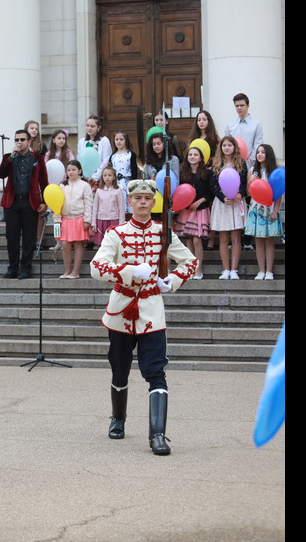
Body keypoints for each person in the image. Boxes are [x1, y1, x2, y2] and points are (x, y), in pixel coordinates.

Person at [90, 179, 197, 456]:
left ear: (153, 203)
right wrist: (128, 271)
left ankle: (158, 435)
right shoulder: (117, 233)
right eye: (137, 198)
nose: (142, 202)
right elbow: (96, 267)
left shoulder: (165, 233)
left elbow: (190, 262)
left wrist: (170, 280)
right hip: (122, 309)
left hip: (151, 309)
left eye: (147, 199)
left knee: (156, 372)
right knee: (120, 369)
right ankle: (118, 418)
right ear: (130, 202)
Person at [0, 129, 49, 279]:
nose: (19, 143)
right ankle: (12, 267)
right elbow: (1, 174)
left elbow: (44, 182)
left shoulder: (37, 159)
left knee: (28, 236)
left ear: (29, 141)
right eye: (16, 140)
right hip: (12, 203)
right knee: (11, 236)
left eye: (22, 140)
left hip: (29, 202)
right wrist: (10, 158)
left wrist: (45, 202)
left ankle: (25, 268)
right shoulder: (9, 157)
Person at [210, 136, 248, 280]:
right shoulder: (217, 164)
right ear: (221, 148)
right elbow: (213, 184)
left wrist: (240, 194)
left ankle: (234, 269)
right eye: (224, 145)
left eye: (229, 145)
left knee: (236, 237)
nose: (226, 148)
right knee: (224, 238)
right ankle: (226, 269)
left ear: (234, 147)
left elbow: (244, 183)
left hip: (236, 202)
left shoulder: (241, 163)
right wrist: (222, 197)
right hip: (222, 203)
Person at [244, 144, 283, 280]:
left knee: (269, 241)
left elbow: (278, 193)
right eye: (258, 152)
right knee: (259, 241)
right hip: (256, 209)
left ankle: (269, 271)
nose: (259, 154)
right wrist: (251, 181)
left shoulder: (274, 172)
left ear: (269, 155)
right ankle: (261, 271)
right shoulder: (252, 171)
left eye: (263, 152)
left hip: (270, 209)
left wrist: (276, 210)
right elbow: (248, 192)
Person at [174, 146, 214, 279]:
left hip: (200, 209)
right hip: (187, 210)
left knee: (197, 239)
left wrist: (200, 201)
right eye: (190, 154)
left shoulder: (207, 173)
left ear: (201, 158)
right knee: (189, 240)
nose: (192, 157)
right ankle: (191, 268)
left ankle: (198, 269)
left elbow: (211, 192)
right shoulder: (183, 173)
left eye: (195, 155)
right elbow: (180, 191)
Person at [55, 160, 93, 278]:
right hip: (65, 218)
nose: (71, 172)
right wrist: (57, 219)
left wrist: (87, 219)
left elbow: (88, 203)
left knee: (77, 244)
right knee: (65, 244)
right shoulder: (62, 185)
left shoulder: (85, 185)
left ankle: (75, 272)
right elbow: (57, 203)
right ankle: (67, 270)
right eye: (69, 170)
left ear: (79, 171)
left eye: (73, 170)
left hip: (79, 218)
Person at [223, 93, 263, 168]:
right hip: (232, 165)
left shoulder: (256, 125)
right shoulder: (230, 126)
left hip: (251, 165)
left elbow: (257, 146)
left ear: (248, 106)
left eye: (242, 105)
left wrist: (248, 164)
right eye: (237, 106)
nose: (239, 108)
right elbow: (226, 146)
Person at [90, 166, 125, 247]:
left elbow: (121, 208)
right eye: (105, 175)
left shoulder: (118, 191)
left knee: (113, 243)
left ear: (114, 177)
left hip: (113, 220)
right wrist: (94, 223)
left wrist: (121, 225)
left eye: (109, 175)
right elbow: (95, 207)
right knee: (102, 245)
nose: (107, 177)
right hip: (101, 220)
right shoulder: (99, 191)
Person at [109, 130, 139, 215]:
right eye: (116, 139)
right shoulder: (113, 156)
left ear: (126, 140)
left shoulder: (131, 154)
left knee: (128, 207)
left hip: (128, 184)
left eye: (121, 139)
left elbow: (134, 172)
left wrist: (133, 187)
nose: (118, 141)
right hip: (116, 184)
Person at [77, 115, 112, 183]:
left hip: (101, 178)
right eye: (87, 125)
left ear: (98, 127)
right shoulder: (82, 141)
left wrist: (95, 176)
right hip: (84, 179)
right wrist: (83, 175)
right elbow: (79, 159)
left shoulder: (104, 140)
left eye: (92, 126)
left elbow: (105, 160)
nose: (89, 128)